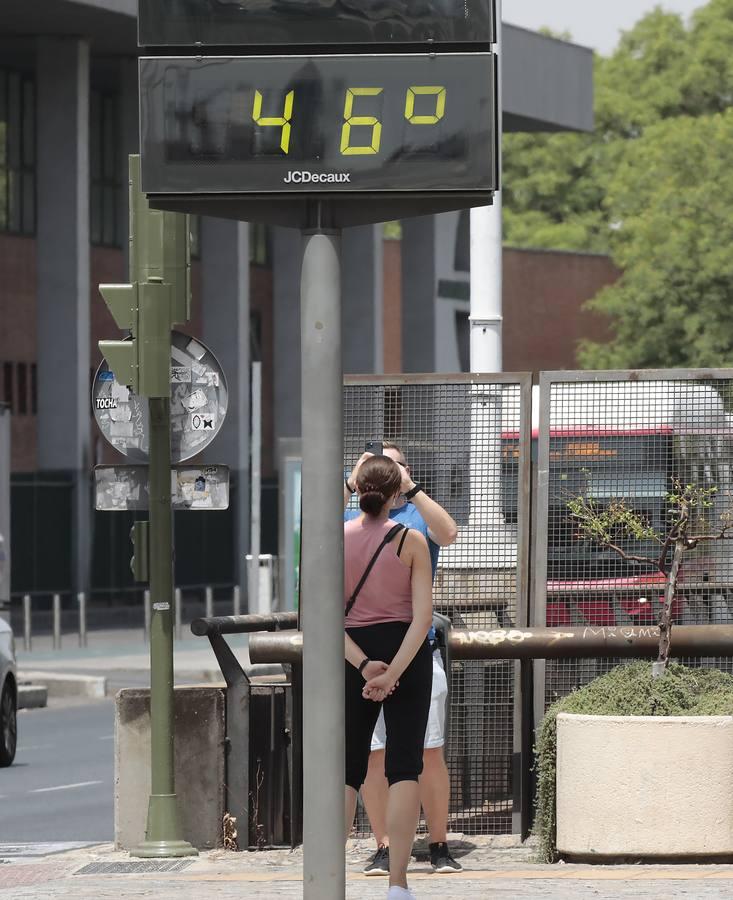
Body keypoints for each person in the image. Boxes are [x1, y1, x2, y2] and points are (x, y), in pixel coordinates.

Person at [344, 441, 462, 875]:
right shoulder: (391, 534)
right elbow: (420, 616)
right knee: (390, 761)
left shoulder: (410, 521)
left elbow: (449, 533)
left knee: (404, 755)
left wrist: (364, 666)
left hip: (368, 654)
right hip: (402, 654)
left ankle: (435, 843)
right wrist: (393, 670)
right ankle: (392, 863)